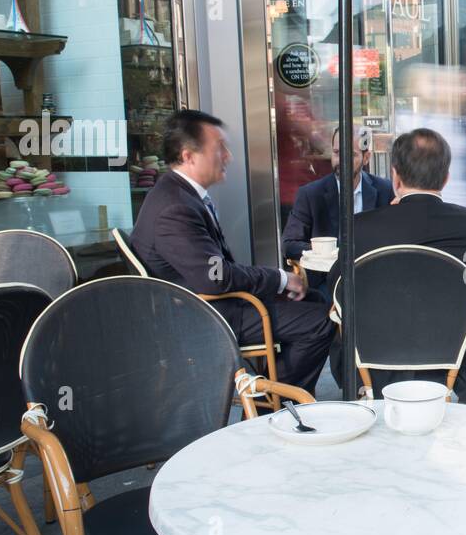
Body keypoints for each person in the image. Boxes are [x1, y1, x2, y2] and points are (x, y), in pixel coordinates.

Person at [131, 109, 334, 394]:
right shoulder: (174, 208)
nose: (228, 156)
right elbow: (215, 276)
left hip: (208, 303)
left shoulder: (180, 195)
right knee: (322, 321)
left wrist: (280, 281)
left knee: (313, 299)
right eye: (220, 148)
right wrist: (280, 278)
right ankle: (274, 402)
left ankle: (269, 393)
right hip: (204, 315)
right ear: (189, 156)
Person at [332, 127, 466, 406]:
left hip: (373, 360)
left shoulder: (360, 227)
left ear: (395, 176)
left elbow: (336, 288)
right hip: (452, 360)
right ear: (445, 179)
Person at [282, 125, 393, 264]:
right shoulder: (310, 194)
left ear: (366, 158)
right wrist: (326, 251)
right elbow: (289, 245)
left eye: (351, 154)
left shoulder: (385, 189)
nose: (341, 161)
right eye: (336, 152)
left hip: (372, 276)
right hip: (325, 280)